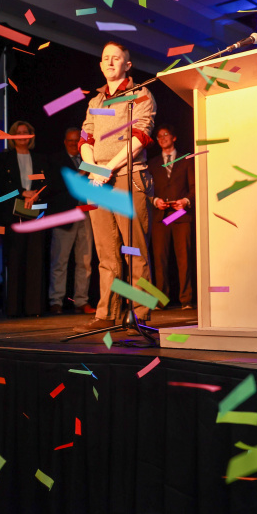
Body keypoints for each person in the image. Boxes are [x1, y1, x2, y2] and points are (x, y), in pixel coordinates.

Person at [73, 42, 157, 334]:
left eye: (116, 58)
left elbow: (141, 135)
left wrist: (109, 168)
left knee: (134, 249)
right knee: (106, 253)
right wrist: (95, 169)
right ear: (100, 64)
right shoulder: (95, 101)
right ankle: (107, 312)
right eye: (105, 57)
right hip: (98, 178)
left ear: (127, 65)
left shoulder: (141, 94)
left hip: (126, 175)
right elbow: (86, 138)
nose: (110, 62)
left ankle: (140, 314)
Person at [0, 120, 49, 317]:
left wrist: (36, 194)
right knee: (15, 259)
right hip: (14, 212)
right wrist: (22, 193)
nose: (23, 135)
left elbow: (47, 183)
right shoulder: (4, 158)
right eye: (19, 133)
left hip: (37, 210)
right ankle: (14, 309)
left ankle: (34, 308)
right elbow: (1, 188)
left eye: (27, 132)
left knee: (35, 259)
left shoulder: (40, 158)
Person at [46, 128, 95, 314]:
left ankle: (81, 300)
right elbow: (55, 185)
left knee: (85, 261)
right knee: (60, 260)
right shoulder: (56, 160)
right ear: (65, 142)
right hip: (65, 213)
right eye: (71, 141)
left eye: (77, 141)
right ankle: (56, 300)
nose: (74, 144)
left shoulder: (88, 159)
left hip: (87, 213)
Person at [149, 124, 196, 309]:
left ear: (174, 137)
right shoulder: (152, 163)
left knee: (184, 258)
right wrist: (155, 201)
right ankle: (161, 300)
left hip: (180, 215)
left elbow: (194, 187)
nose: (162, 138)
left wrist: (185, 201)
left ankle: (186, 300)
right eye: (159, 136)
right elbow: (146, 190)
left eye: (166, 134)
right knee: (160, 258)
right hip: (161, 216)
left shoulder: (186, 159)